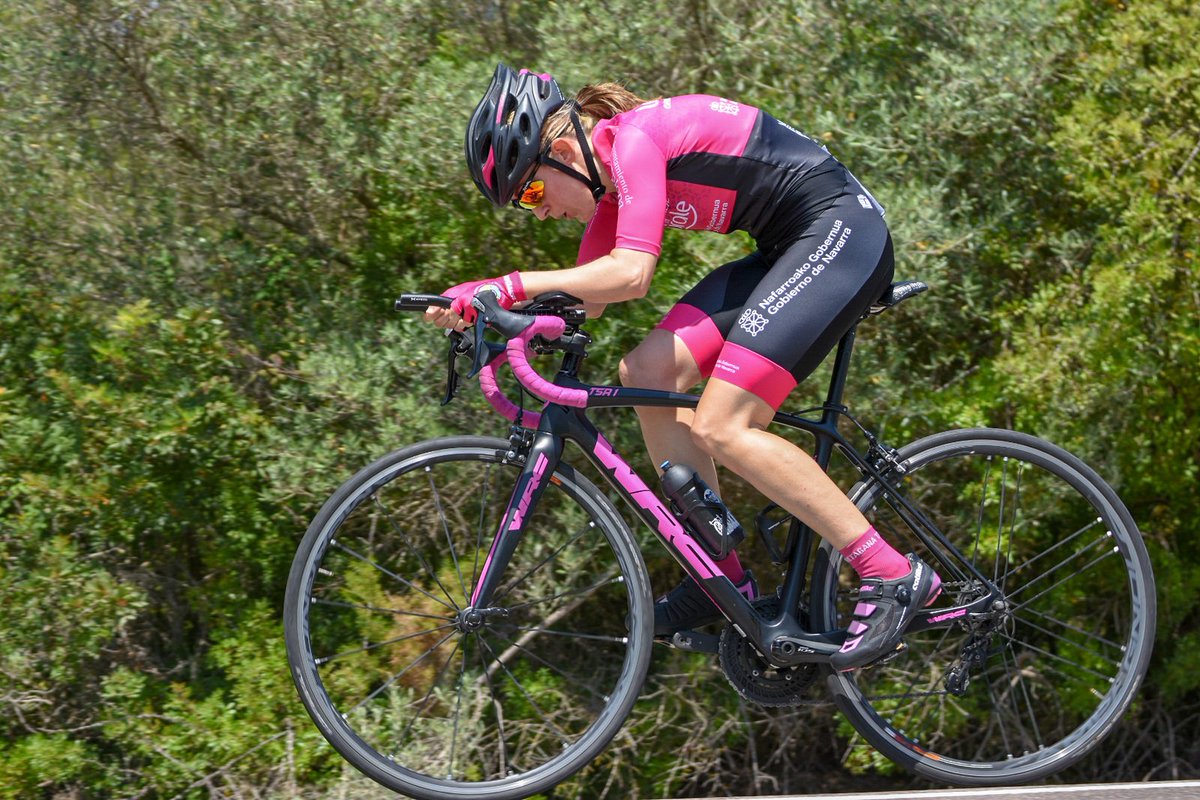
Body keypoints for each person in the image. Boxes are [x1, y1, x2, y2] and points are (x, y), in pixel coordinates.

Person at [427, 63, 941, 671]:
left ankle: (891, 571)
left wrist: (507, 284)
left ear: (562, 152)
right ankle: (717, 571)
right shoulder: (608, 185)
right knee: (646, 371)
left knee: (723, 425)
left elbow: (631, 274)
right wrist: (491, 316)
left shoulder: (634, 141)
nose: (538, 213)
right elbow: (586, 301)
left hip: (840, 233)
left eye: (532, 193)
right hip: (788, 248)